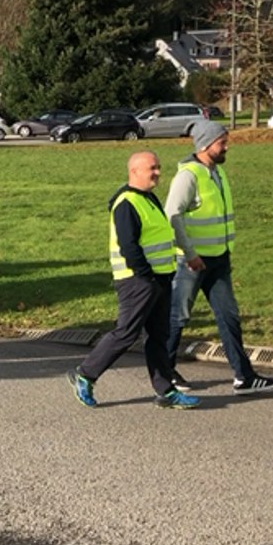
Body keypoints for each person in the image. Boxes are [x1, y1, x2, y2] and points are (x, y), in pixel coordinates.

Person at [67, 151, 199, 409]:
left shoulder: (148, 198)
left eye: (159, 167)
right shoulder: (127, 202)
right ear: (135, 171)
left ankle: (166, 390)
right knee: (126, 333)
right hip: (138, 281)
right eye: (152, 168)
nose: (158, 173)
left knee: (159, 336)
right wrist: (146, 276)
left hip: (160, 279)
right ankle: (85, 374)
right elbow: (128, 245)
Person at [164, 121, 273, 395]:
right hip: (191, 263)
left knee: (229, 316)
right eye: (222, 142)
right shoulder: (188, 176)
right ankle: (164, 372)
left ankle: (244, 375)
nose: (227, 146)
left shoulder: (217, 173)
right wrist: (190, 254)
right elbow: (172, 215)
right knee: (177, 317)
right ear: (205, 145)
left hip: (218, 259)